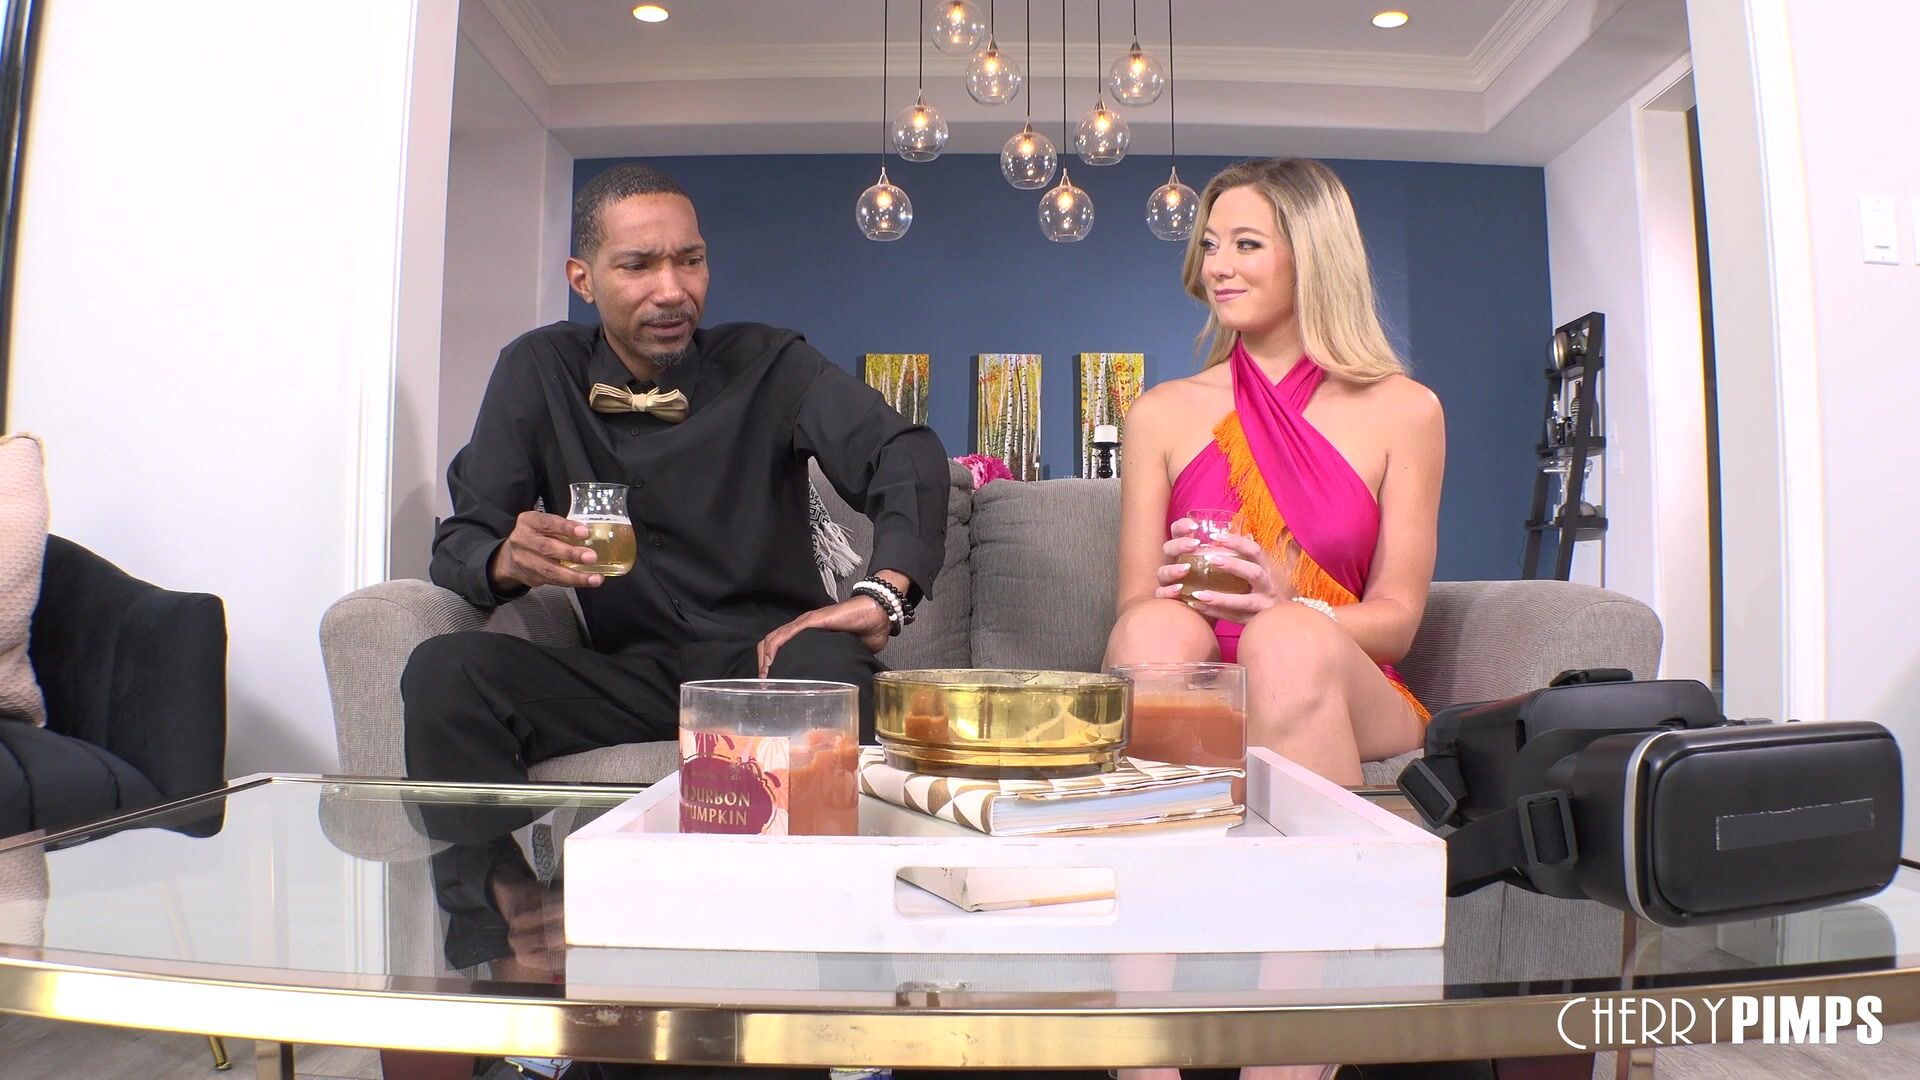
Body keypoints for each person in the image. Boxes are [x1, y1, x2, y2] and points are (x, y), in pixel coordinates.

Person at [401, 163, 950, 821]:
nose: (673, 291)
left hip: (776, 661)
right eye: (638, 266)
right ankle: (492, 887)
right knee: (444, 672)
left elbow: (902, 451)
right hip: (629, 677)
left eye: (690, 261)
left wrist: (886, 593)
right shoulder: (538, 371)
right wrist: (506, 561)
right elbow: (461, 542)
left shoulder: (772, 363)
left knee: (828, 671)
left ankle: (829, 882)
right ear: (583, 279)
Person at [1103, 158, 1445, 794]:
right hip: (1203, 675)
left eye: (1246, 244)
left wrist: (1285, 606)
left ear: (1312, 257)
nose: (1216, 266)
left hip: (1339, 669)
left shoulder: (1406, 410)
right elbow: (1132, 606)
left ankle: (1314, 859)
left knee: (1286, 639)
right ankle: (1165, 846)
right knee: (1151, 625)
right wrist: (1181, 591)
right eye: (1210, 245)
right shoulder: (1160, 412)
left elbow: (1396, 624)